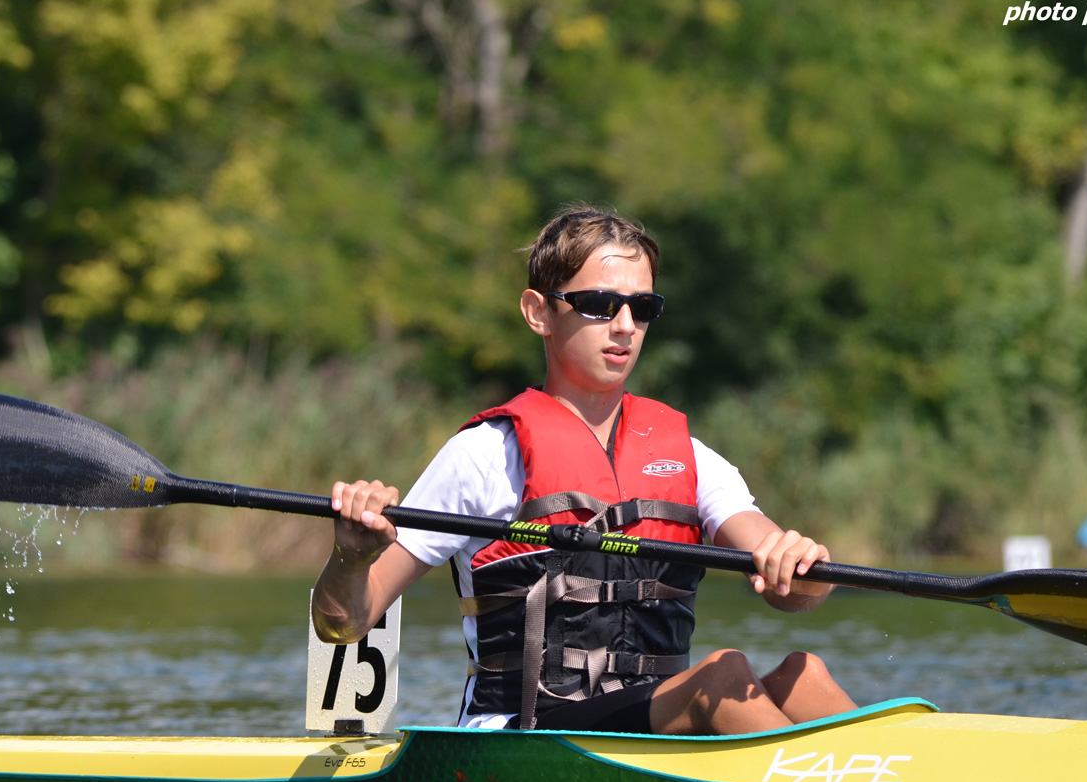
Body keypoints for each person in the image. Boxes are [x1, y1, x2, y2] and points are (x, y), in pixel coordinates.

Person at [311, 206, 856, 735]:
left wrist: (804, 568)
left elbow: (791, 591)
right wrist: (350, 558)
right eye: (599, 304)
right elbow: (343, 625)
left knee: (804, 677)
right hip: (524, 733)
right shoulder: (482, 456)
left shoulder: (691, 458)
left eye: (642, 308)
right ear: (539, 312)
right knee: (723, 675)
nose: (625, 326)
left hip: (652, 727)